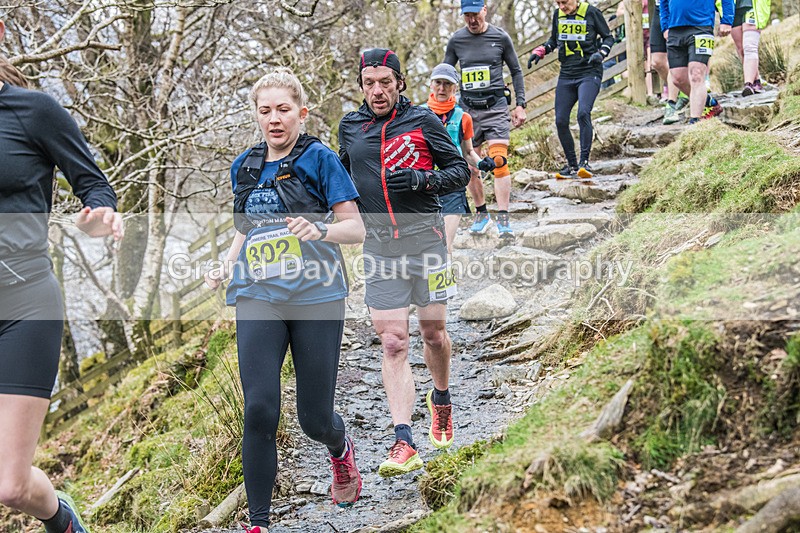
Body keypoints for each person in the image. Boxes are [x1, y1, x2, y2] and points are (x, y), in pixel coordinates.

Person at [204, 68, 365, 530]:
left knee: (314, 419)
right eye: (265, 110)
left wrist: (320, 229)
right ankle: (259, 521)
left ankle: (339, 448)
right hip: (258, 293)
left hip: (316, 294)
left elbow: (355, 228)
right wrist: (227, 263)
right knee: (258, 407)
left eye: (283, 109)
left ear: (301, 112)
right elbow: (245, 228)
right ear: (256, 115)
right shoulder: (245, 166)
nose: (274, 119)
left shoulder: (320, 159)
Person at [0, 18, 123, 533]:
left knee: (10, 486)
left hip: (24, 302)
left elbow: (93, 185)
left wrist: (99, 215)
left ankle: (62, 520)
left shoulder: (34, 111)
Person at [338, 49, 470, 476]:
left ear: (399, 83)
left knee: (434, 333)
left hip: (428, 242)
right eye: (369, 83)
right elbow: (340, 183)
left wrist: (422, 179)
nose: (377, 90)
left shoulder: (423, 121)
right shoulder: (350, 128)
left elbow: (460, 172)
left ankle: (441, 399)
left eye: (385, 82)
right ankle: (404, 440)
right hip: (379, 249)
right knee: (394, 342)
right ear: (362, 86)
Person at [444, 0, 527, 239]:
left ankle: (504, 219)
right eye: (466, 15)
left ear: (484, 10)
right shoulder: (456, 40)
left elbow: (516, 71)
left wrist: (520, 105)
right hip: (468, 110)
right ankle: (482, 214)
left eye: (475, 14)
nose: (471, 20)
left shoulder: (500, 37)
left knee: (499, 160)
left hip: (496, 107)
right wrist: (443, 108)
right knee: (471, 165)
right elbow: (445, 74)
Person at [529, 0, 614, 179]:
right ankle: (572, 165)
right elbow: (554, 40)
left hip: (589, 72)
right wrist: (541, 50)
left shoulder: (592, 12)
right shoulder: (558, 15)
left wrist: (601, 53)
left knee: (583, 113)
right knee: (560, 120)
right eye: (558, 3)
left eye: (565, 2)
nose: (562, 7)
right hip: (567, 73)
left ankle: (584, 162)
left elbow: (608, 37)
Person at [421, 63, 498, 255]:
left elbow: (468, 152)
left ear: (455, 88)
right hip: (424, 185)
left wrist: (482, 163)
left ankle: (446, 276)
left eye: (447, 84)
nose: (442, 88)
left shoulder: (463, 117)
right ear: (431, 84)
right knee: (424, 247)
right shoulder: (417, 114)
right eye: (438, 83)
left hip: (452, 184)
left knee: (444, 246)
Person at [660, 0, 732, 123]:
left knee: (696, 74)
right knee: (677, 78)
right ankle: (709, 102)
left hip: (701, 26)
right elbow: (663, 2)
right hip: (675, 28)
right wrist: (665, 26)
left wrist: (727, 20)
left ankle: (695, 121)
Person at [729, 0, 770, 96]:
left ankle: (748, 84)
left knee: (750, 47)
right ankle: (757, 81)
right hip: (731, 8)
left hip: (753, 5)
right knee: (741, 50)